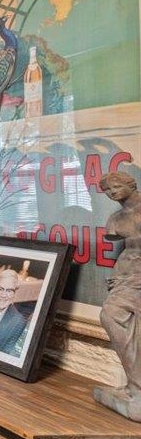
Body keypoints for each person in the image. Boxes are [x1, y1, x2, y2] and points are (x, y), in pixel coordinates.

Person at [95, 171, 141, 421]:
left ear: (129, 184)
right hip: (125, 275)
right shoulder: (115, 219)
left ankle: (136, 389)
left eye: (115, 187)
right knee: (110, 316)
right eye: (107, 191)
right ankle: (136, 385)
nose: (112, 193)